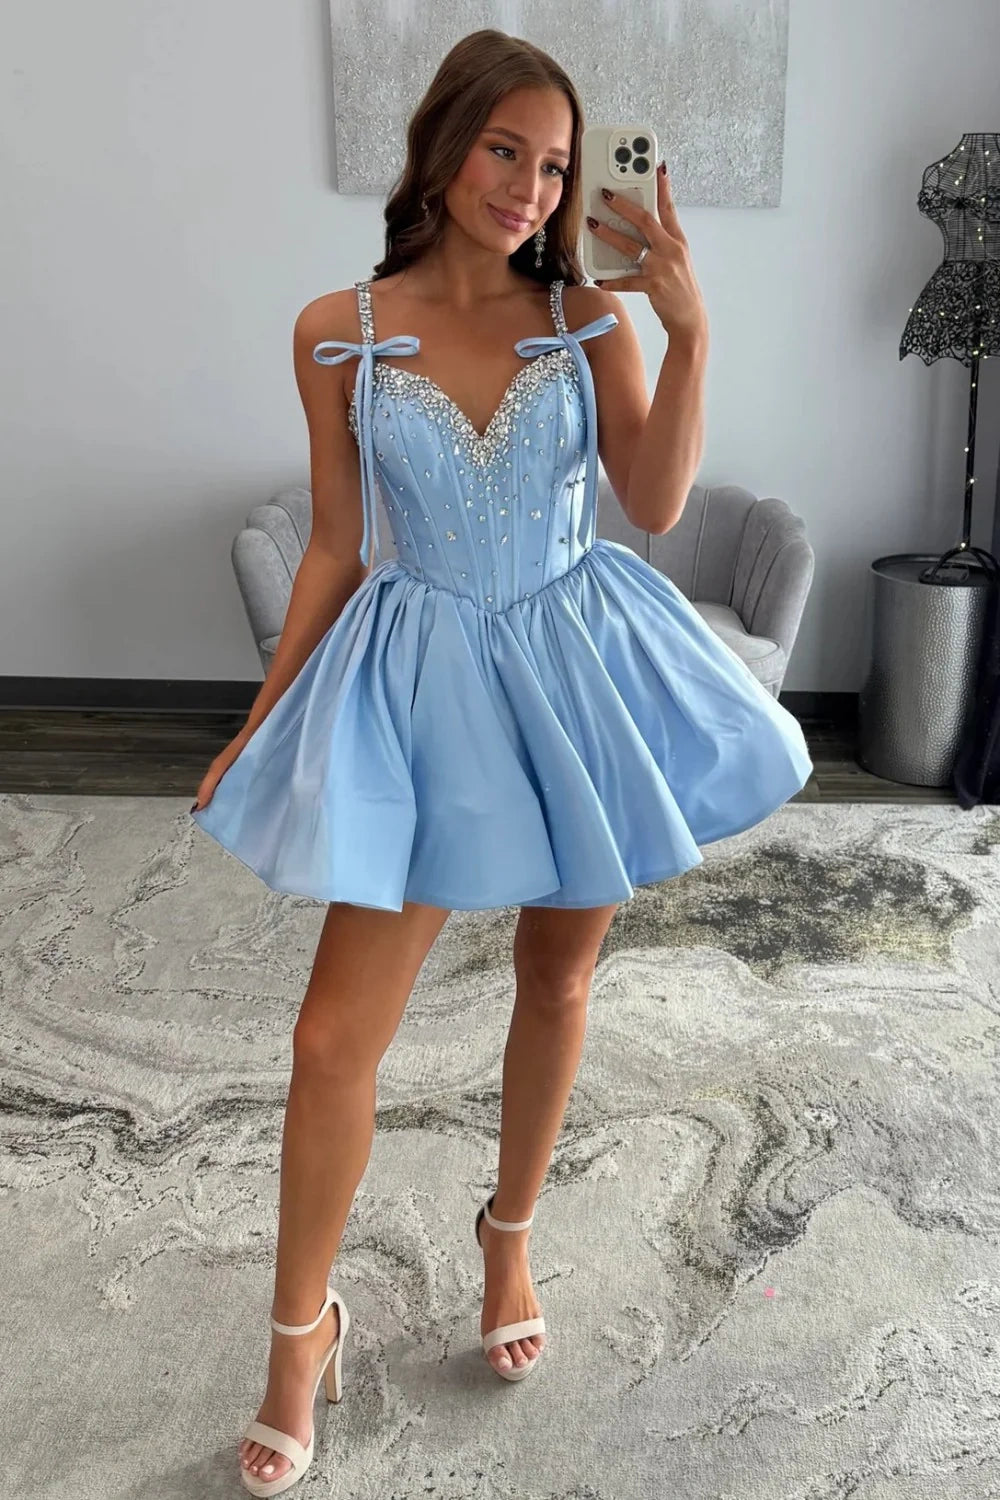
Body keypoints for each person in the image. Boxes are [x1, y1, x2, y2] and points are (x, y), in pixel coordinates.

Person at [190, 27, 814, 1494]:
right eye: (504, 151)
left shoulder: (586, 320)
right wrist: (260, 719)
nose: (530, 188)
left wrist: (688, 333)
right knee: (330, 1041)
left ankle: (508, 1238)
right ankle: (300, 1333)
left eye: (553, 164)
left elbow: (653, 501)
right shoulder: (337, 328)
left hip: (577, 661)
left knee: (559, 974)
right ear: (442, 144)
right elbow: (335, 545)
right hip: (421, 678)